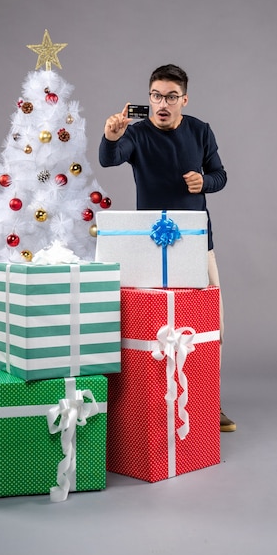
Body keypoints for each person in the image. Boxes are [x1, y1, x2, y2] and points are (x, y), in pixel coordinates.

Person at [99, 63, 236, 432]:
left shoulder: (200, 131)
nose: (162, 103)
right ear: (149, 98)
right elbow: (109, 158)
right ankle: (147, 402)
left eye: (171, 97)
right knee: (150, 323)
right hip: (149, 246)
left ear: (183, 100)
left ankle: (209, 402)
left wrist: (203, 182)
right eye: (156, 96)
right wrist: (112, 136)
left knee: (212, 324)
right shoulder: (137, 133)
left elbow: (220, 175)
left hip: (196, 240)